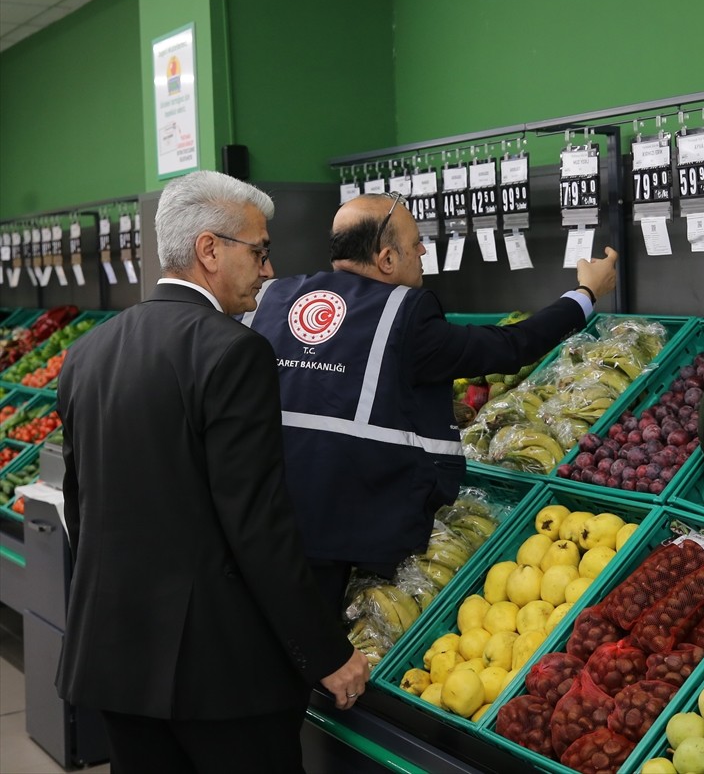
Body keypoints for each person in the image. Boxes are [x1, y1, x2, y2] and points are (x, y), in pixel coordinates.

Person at [55, 170, 371, 774]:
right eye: (260, 250)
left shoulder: (88, 352)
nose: (269, 270)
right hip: (220, 678)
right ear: (209, 250)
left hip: (114, 659)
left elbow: (82, 506)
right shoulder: (231, 350)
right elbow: (257, 526)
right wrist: (326, 652)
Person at [242, 191, 618, 614]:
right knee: (318, 643)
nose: (423, 250)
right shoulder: (404, 314)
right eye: (416, 241)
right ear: (386, 259)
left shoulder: (274, 298)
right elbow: (511, 346)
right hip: (347, 527)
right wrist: (587, 292)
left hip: (263, 515)